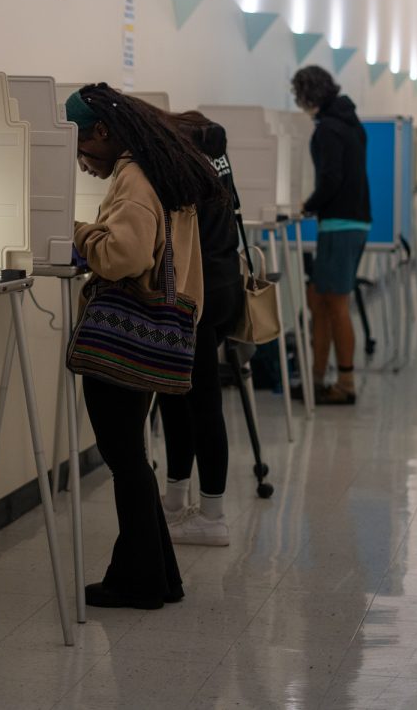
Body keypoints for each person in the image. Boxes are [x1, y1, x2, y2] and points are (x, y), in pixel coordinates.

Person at [66, 83, 219, 609]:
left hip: (125, 333)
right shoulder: (159, 166)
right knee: (133, 457)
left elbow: (124, 256)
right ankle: (159, 575)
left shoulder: (133, 176)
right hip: (164, 328)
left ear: (103, 132)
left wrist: (80, 233)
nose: (82, 162)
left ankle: (138, 582)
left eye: (81, 147)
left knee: (125, 459)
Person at [156, 110, 242, 547]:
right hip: (222, 285)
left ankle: (212, 515)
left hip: (198, 291)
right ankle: (177, 502)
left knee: (200, 402)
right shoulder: (215, 152)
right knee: (180, 395)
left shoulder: (181, 165)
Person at [293, 65, 371, 405]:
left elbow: (331, 178)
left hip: (339, 224)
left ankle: (345, 383)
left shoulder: (327, 129)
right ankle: (317, 378)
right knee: (319, 299)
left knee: (336, 304)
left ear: (308, 95)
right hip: (352, 222)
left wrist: (306, 206)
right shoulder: (352, 124)